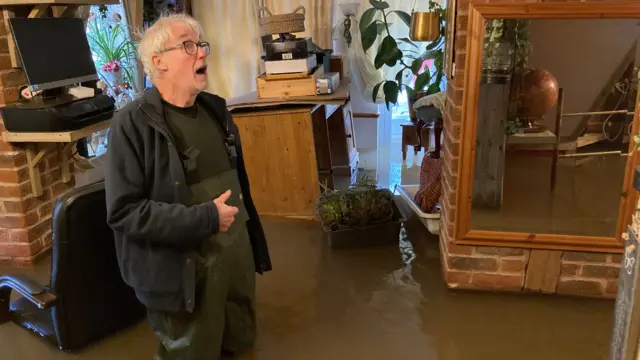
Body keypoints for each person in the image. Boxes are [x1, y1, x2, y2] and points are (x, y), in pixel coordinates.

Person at [104, 13, 272, 360]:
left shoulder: (215, 110)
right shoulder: (130, 126)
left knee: (241, 343)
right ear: (158, 61)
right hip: (182, 272)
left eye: (202, 45)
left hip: (235, 259)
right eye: (188, 46)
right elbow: (125, 213)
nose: (202, 54)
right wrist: (205, 219)